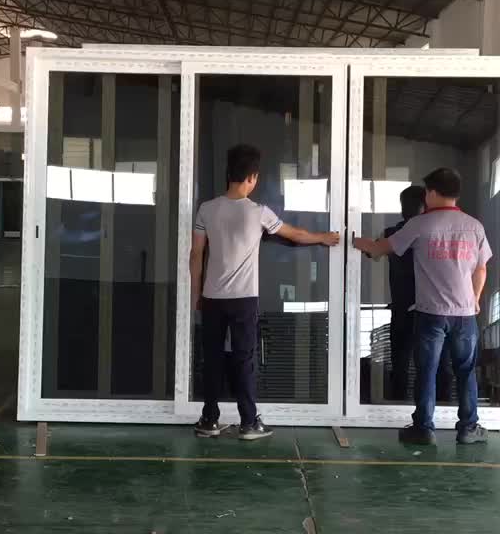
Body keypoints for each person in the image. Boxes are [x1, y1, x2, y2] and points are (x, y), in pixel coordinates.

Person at [190, 144, 340, 440]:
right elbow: (296, 235)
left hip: (212, 297)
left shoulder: (206, 209)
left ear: (229, 173)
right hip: (244, 299)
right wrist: (324, 237)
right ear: (252, 177)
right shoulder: (258, 212)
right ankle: (248, 423)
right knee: (244, 359)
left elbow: (196, 255)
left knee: (213, 358)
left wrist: (196, 294)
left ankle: (209, 420)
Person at [354, 168, 492, 445]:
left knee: (426, 370)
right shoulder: (475, 226)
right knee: (465, 371)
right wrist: (476, 299)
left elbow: (380, 249)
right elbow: (481, 269)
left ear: (432, 192)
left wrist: (353, 241)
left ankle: (423, 428)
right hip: (465, 314)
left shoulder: (420, 225)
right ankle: (468, 428)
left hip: (431, 313)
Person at [385, 186, 452, 402]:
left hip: (403, 308)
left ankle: (397, 407)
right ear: (424, 206)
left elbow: (373, 250)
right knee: (438, 363)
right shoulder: (433, 232)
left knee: (401, 364)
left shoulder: (392, 233)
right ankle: (442, 407)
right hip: (431, 307)